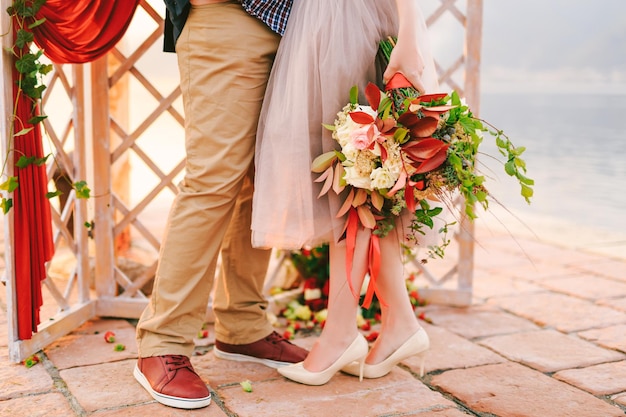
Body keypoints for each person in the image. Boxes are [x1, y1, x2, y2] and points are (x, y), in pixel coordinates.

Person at [251, 0, 439, 385]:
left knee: (354, 168)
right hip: (322, 20)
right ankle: (398, 321)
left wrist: (409, 32)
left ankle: (341, 333)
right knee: (362, 169)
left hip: (350, 19)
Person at [133, 0, 308, 409]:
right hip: (225, 13)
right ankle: (162, 341)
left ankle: (242, 324)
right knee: (210, 181)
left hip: (292, 25)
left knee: (261, 179)